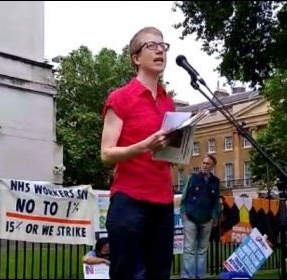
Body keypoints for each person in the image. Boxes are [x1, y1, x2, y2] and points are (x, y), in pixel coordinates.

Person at [100, 26, 175, 279]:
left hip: (163, 202)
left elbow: (166, 153)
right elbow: (106, 153)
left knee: (159, 274)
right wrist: (144, 146)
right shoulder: (120, 98)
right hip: (129, 202)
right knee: (127, 274)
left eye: (163, 45)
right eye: (151, 46)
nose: (160, 50)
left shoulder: (168, 101)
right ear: (135, 58)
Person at [180, 154, 220, 279]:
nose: (204, 165)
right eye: (203, 163)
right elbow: (183, 196)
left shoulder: (216, 182)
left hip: (206, 219)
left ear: (212, 166)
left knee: (202, 250)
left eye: (207, 164)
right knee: (189, 250)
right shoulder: (193, 178)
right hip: (190, 218)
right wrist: (183, 213)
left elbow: (216, 201)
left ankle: (200, 276)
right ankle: (188, 277)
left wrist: (214, 216)